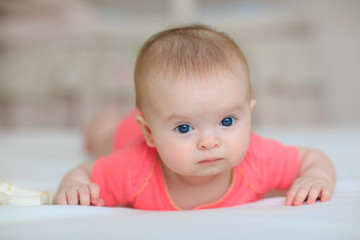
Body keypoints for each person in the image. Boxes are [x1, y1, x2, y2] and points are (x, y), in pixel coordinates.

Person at [56, 24, 336, 210]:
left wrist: (316, 177)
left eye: (227, 121)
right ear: (150, 133)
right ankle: (104, 121)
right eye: (184, 127)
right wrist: (74, 186)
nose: (210, 141)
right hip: (127, 132)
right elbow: (83, 173)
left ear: (249, 115)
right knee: (104, 138)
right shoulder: (133, 168)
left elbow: (311, 158)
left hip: (151, 120)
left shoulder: (257, 159)